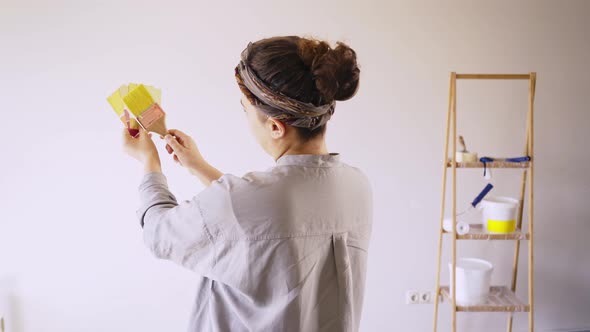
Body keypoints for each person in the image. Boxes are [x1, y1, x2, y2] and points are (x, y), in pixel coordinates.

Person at [122, 36, 372, 332]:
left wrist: (149, 162)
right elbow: (268, 222)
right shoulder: (357, 186)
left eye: (245, 109)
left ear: (276, 126)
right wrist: (198, 166)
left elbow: (159, 233)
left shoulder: (245, 202)